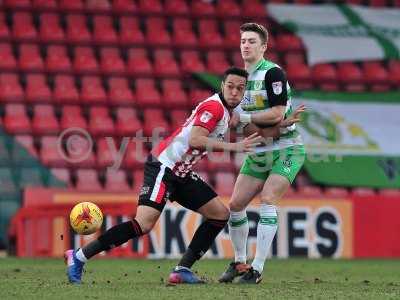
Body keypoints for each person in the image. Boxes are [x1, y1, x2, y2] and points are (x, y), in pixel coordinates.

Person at [65, 67, 265, 285]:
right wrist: (235, 147)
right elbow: (196, 140)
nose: (235, 92)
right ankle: (78, 257)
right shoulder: (213, 107)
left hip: (182, 172)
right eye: (230, 86)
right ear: (222, 86)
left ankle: (182, 270)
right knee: (143, 224)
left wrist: (282, 123)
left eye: (240, 88)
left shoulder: (227, 111)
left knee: (219, 214)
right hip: (164, 166)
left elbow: (240, 121)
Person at [219, 23, 306, 284]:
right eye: (243, 41)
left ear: (264, 47)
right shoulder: (240, 79)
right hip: (259, 150)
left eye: (252, 41)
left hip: (286, 149)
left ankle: (257, 268)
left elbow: (278, 113)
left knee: (268, 199)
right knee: (235, 205)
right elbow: (243, 124)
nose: (245, 45)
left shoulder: (273, 73)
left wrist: (246, 117)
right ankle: (239, 263)